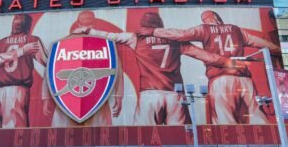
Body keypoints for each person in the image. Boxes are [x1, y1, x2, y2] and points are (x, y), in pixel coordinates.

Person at [75, 11, 230, 125]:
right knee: (181, 139)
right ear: (160, 25)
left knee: (143, 139)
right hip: (175, 95)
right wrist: (228, 62)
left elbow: (110, 36)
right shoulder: (176, 40)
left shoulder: (135, 38)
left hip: (148, 95)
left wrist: (89, 31)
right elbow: (205, 56)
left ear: (143, 25)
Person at [151, 10, 277, 125]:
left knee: (224, 119)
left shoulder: (204, 29)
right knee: (255, 115)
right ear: (217, 17)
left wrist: (154, 31)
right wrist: (285, 51)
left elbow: (181, 35)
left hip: (220, 78)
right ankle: (275, 144)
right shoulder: (237, 30)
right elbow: (266, 45)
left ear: (207, 20)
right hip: (244, 79)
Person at [0, 14, 47, 129]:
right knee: (14, 133)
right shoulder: (32, 40)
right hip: (17, 90)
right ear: (28, 26)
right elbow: (47, 62)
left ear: (13, 25)